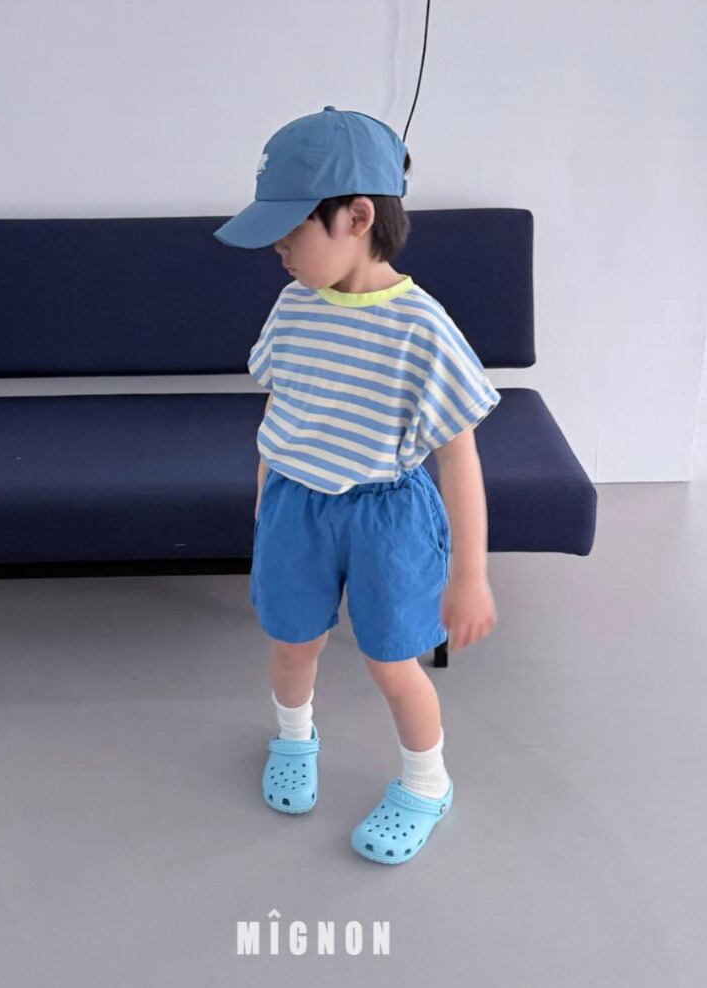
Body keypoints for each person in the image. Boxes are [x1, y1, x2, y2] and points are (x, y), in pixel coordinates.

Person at [212, 105, 501, 864]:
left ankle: (426, 783)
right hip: (294, 506)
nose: (278, 248)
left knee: (391, 664)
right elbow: (280, 410)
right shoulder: (294, 305)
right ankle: (293, 738)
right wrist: (266, 510)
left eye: (290, 230)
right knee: (291, 641)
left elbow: (459, 457)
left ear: (358, 216)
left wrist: (470, 576)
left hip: (386, 516)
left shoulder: (422, 329)